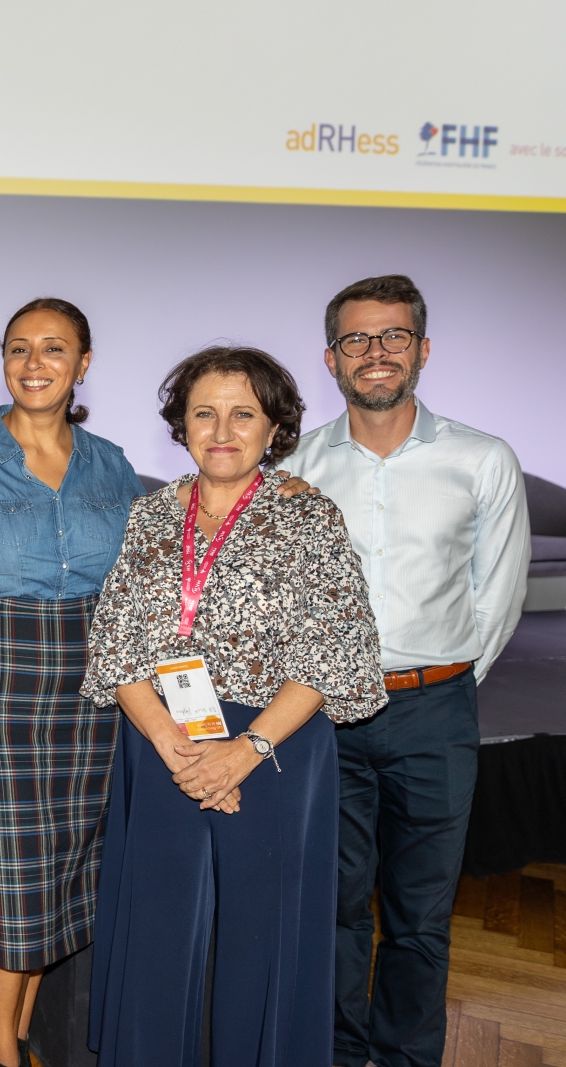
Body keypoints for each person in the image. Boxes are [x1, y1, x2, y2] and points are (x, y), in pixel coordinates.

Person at [80, 346, 387, 1066]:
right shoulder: (150, 515)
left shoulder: (308, 517)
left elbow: (331, 654)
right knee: (160, 928)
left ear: (274, 426)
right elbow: (116, 646)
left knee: (261, 934)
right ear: (181, 425)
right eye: (204, 414)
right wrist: (175, 748)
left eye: (243, 414)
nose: (222, 431)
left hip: (274, 749)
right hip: (163, 744)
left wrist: (243, 753)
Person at [284, 275, 529, 1067]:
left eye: (393, 335)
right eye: (356, 338)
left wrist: (439, 682)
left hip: (436, 713)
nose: (376, 352)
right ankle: (335, 1051)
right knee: (333, 905)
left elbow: (498, 598)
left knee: (421, 914)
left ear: (423, 350)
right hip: (323, 714)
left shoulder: (482, 459)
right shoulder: (294, 466)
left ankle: (406, 1058)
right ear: (331, 358)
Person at [0, 299, 144, 1067]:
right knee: (11, 890)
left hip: (97, 698)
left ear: (83, 362)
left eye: (53, 347)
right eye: (18, 347)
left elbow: (141, 584)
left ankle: (2, 1039)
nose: (34, 363)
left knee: (61, 886)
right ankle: (4, 1056)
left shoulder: (112, 465)